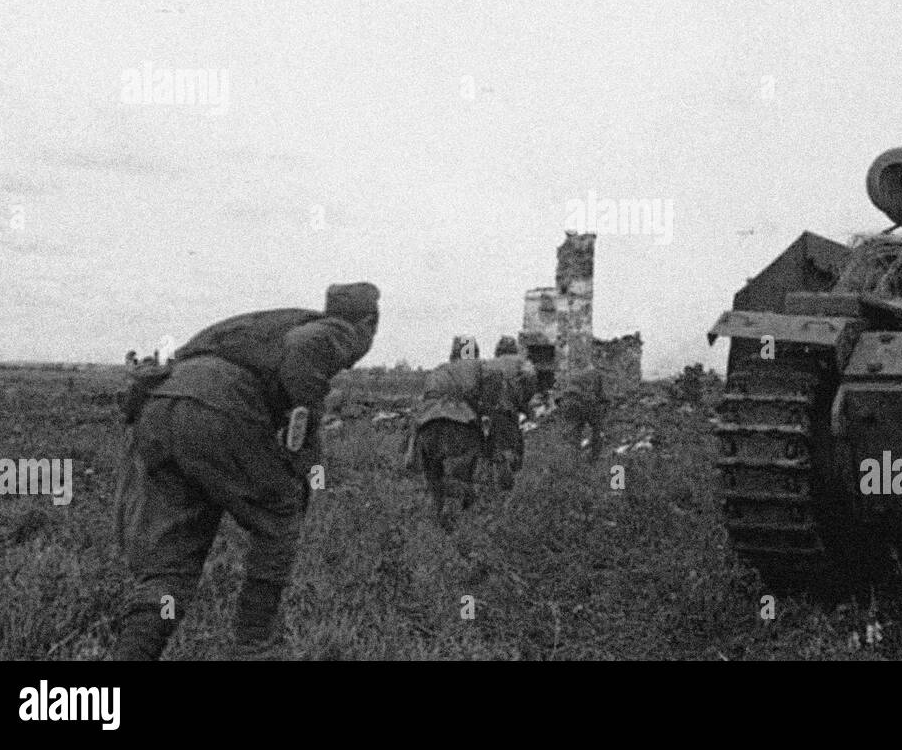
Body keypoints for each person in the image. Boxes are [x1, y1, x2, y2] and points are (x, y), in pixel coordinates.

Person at [110, 282, 380, 660]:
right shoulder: (341, 329)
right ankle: (254, 644)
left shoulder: (265, 324)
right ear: (370, 319)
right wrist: (306, 453)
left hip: (160, 409)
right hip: (217, 408)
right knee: (282, 510)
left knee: (171, 564)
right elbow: (303, 352)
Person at [411, 355, 536, 520]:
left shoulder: (443, 370)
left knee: (436, 488)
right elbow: (497, 413)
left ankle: (435, 531)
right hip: (456, 424)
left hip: (426, 427)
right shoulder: (491, 373)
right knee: (459, 483)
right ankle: (457, 532)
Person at [557, 364, 607, 460]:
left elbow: (559, 395)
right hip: (584, 402)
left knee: (573, 432)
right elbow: (601, 395)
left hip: (567, 403)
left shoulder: (571, 372)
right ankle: (595, 456)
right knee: (598, 428)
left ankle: (572, 461)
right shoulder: (596, 374)